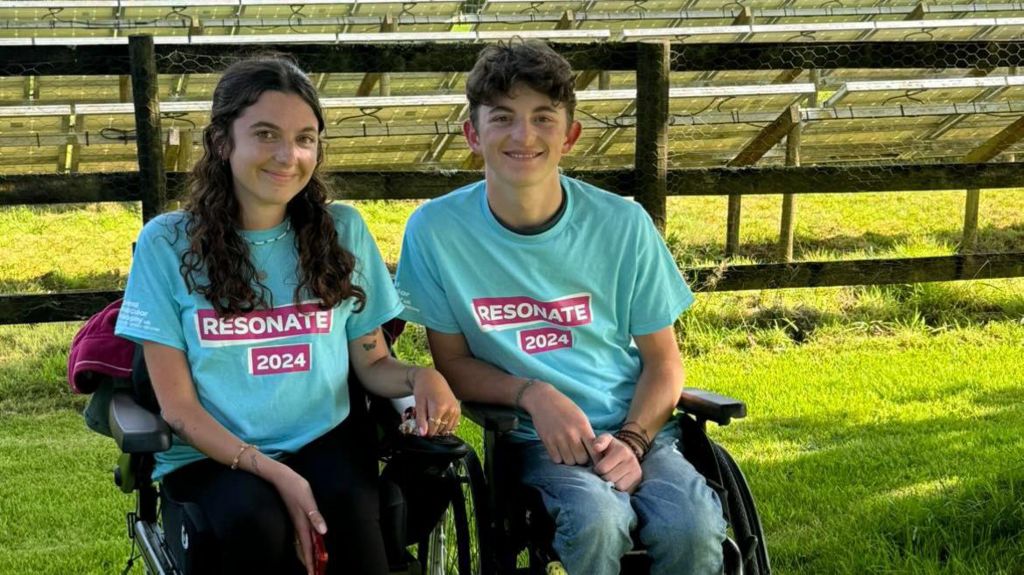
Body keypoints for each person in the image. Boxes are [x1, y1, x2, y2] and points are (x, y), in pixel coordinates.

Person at [115, 56, 460, 575]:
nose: (288, 155)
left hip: (325, 437)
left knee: (354, 529)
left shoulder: (341, 232)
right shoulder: (168, 243)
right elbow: (179, 409)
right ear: (223, 141)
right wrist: (275, 473)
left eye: (305, 138)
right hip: (211, 451)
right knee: (257, 525)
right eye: (266, 134)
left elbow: (371, 363)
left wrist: (419, 375)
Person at [395, 40, 726, 575]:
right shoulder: (435, 231)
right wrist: (535, 394)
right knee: (595, 520)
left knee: (692, 528)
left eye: (542, 118)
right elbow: (452, 364)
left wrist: (634, 440)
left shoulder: (622, 223)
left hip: (640, 430)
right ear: (472, 134)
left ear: (569, 135)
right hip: (532, 440)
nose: (523, 136)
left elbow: (664, 362)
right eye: (502, 118)